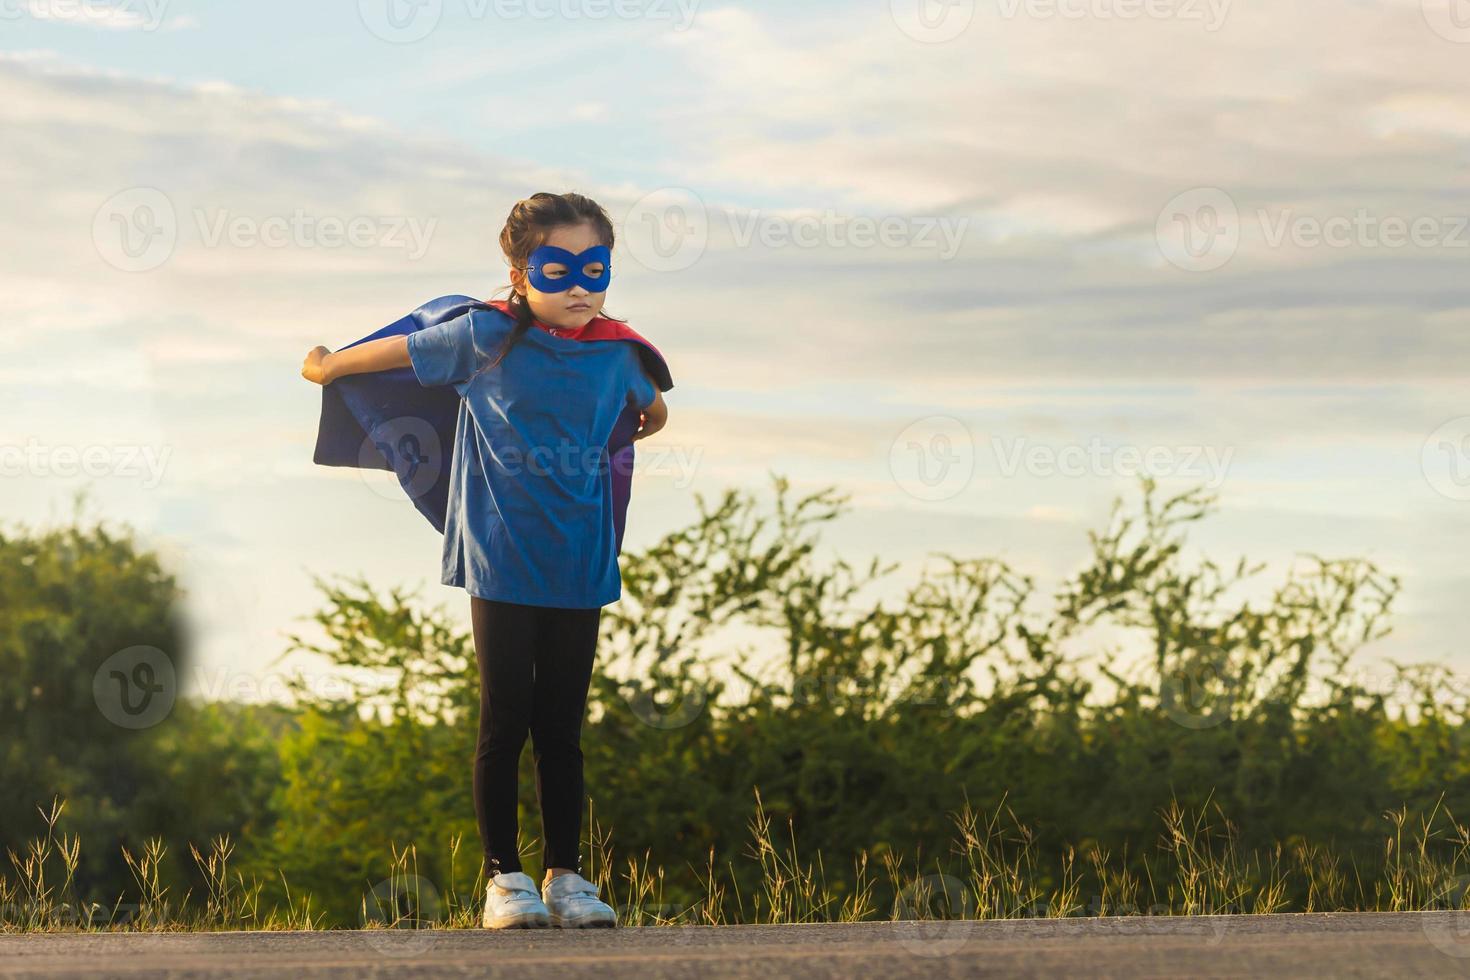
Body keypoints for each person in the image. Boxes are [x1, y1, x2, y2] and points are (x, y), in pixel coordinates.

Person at [300, 192, 670, 929]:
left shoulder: (618, 352)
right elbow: (397, 354)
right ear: (518, 269)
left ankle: (568, 878)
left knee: (563, 729)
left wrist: (627, 428)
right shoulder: (485, 337)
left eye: (594, 270)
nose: (578, 287)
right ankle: (505, 879)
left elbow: (652, 410)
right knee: (505, 722)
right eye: (557, 268)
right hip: (500, 557)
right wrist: (327, 366)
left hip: (580, 562)